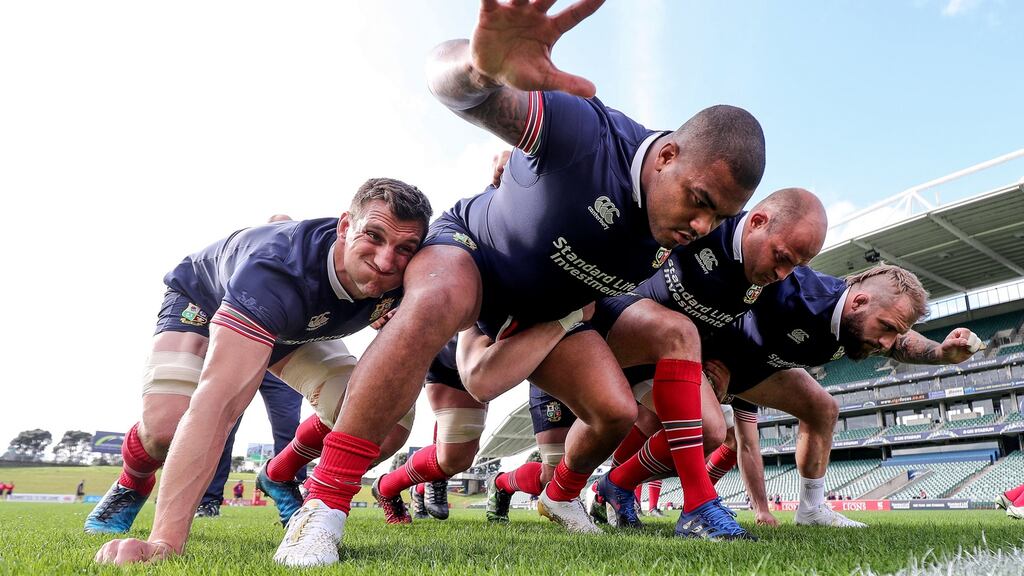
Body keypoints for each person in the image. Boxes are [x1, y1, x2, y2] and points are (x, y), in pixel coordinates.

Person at [275, 0, 766, 566]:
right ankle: (325, 504)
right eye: (700, 202)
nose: (703, 226)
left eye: (719, 217)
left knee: (615, 409)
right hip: (479, 259)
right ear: (667, 156)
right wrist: (480, 69)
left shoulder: (696, 225)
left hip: (550, 314)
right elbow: (455, 88)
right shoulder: (583, 133)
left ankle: (561, 497)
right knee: (437, 299)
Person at [90, 178, 432, 565]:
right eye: (373, 236)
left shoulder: (411, 272)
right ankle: (131, 481)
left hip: (298, 328)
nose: (387, 261)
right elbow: (219, 405)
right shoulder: (278, 270)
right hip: (206, 302)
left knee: (384, 422)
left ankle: (279, 473)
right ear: (343, 228)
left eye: (404, 248)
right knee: (167, 431)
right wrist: (165, 543)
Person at [608, 264, 982, 528]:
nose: (886, 343)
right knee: (709, 429)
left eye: (893, 333)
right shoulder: (791, 291)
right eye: (884, 328)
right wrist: (703, 365)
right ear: (858, 302)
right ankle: (614, 483)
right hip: (695, 351)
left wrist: (939, 353)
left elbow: (900, 341)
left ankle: (813, 508)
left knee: (823, 407)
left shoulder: (862, 324)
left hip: (753, 367)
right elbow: (714, 300)